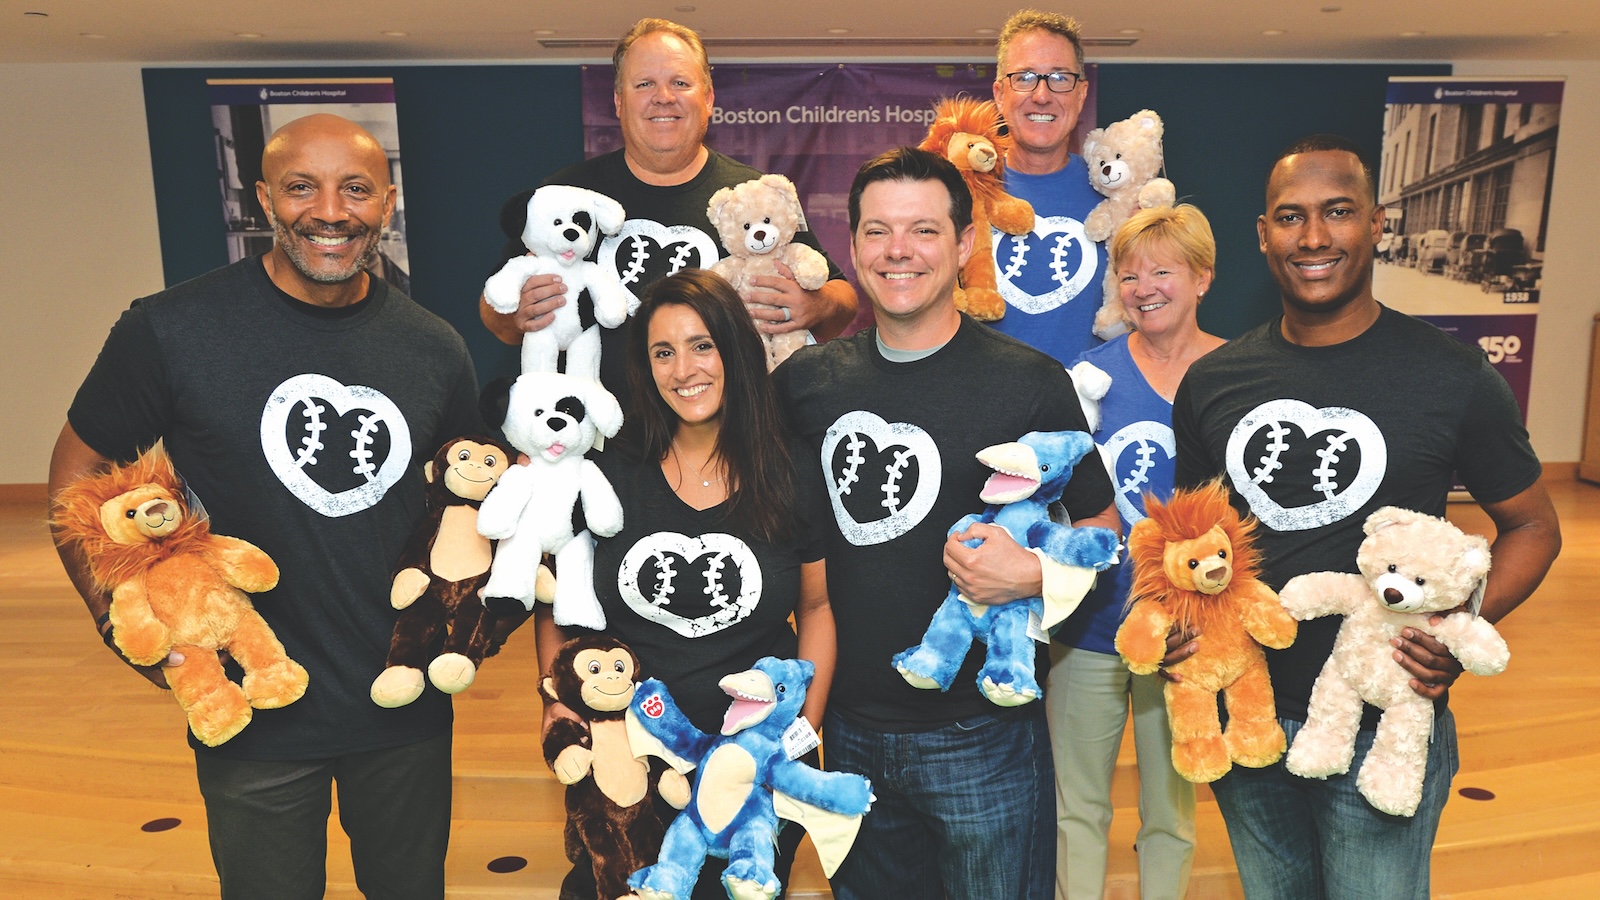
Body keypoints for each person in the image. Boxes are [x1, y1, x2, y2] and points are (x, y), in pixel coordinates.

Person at [46, 114, 485, 899]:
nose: (329, 211)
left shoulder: (434, 347)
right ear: (262, 200)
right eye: (300, 188)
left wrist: (459, 615)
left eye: (355, 189)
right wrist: (124, 623)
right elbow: (77, 466)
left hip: (400, 698)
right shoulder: (171, 329)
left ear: (387, 202)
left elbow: (459, 499)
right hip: (252, 702)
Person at [1171, 134, 1561, 898]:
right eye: (1291, 217)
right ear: (1262, 234)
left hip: (1385, 717)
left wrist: (1456, 629)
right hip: (1248, 715)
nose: (1314, 237)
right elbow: (1193, 537)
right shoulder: (1214, 381)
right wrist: (1182, 618)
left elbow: (1534, 526)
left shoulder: (1451, 376)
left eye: (1338, 212)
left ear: (1378, 224)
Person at [773, 146, 1119, 900]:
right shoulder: (806, 383)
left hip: (984, 737)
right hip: (851, 734)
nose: (899, 251)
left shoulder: (1028, 382)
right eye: (877, 231)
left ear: (965, 246)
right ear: (855, 245)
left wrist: (1035, 572)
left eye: (924, 230)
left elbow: (1102, 519)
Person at [537, 269, 835, 900]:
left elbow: (817, 606)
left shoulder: (791, 471)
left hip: (750, 766)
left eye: (702, 346)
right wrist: (559, 704)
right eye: (662, 353)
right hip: (632, 757)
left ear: (735, 351)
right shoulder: (609, 474)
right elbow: (559, 608)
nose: (683, 370)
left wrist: (797, 733)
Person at [481, 17, 858, 400]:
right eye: (644, 84)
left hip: (725, 443)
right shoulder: (566, 195)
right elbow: (495, 313)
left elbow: (841, 298)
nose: (663, 96)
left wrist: (815, 304)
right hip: (593, 445)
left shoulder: (754, 197)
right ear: (618, 101)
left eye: (680, 83)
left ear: (708, 98)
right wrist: (515, 313)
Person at [1051, 204, 1224, 899]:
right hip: (1090, 626)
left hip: (1187, 634)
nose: (1144, 286)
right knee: (1078, 807)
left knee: (1172, 815)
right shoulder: (1085, 381)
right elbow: (1054, 497)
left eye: (1163, 270)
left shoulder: (1241, 375)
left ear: (1202, 278)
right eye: (1129, 274)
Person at [987, 9, 1107, 364]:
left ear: (1081, 95)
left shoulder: (1118, 197)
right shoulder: (962, 193)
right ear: (999, 93)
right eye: (1024, 77)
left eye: (1059, 77)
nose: (1042, 95)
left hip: (1093, 412)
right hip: (983, 412)